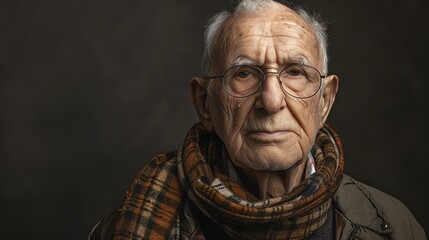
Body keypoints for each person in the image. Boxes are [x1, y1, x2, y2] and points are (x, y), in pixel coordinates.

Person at [90, 0, 426, 239]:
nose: (271, 100)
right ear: (205, 103)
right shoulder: (123, 229)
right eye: (244, 74)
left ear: (324, 102)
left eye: (295, 72)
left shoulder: (394, 227)